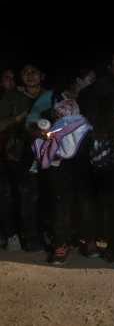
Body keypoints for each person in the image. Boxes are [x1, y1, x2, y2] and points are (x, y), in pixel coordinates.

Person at [31, 99, 96, 264]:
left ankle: (74, 243)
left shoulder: (68, 126)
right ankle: (75, 243)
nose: (62, 113)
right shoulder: (83, 125)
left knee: (73, 207)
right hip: (69, 172)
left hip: (74, 171)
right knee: (71, 207)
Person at [79, 52, 114, 263]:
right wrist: (103, 128)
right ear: (111, 66)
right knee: (94, 196)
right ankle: (92, 240)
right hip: (99, 146)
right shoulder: (100, 86)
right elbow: (87, 108)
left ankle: (113, 244)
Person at [0, 64, 46, 251]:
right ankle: (27, 238)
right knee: (23, 196)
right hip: (19, 154)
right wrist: (19, 119)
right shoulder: (12, 97)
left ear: (42, 75)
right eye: (25, 72)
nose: (29, 75)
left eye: (34, 71)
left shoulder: (51, 96)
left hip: (50, 154)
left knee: (45, 196)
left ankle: (46, 234)